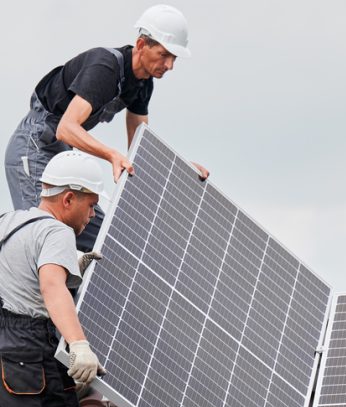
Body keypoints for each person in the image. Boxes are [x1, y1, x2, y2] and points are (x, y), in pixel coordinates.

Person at [4, 4, 209, 253]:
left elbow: (141, 149)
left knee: (105, 241)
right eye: (164, 55)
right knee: (45, 234)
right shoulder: (106, 67)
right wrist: (111, 154)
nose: (169, 65)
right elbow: (66, 128)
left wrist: (182, 170)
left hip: (62, 155)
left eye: (174, 58)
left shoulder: (143, 85)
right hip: (35, 146)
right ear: (142, 45)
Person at [0, 150, 106, 407]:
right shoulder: (56, 232)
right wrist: (78, 345)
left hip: (1, 347)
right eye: (91, 204)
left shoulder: (9, 222)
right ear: (68, 199)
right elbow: (50, 288)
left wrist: (69, 263)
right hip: (28, 355)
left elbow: (21, 276)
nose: (92, 215)